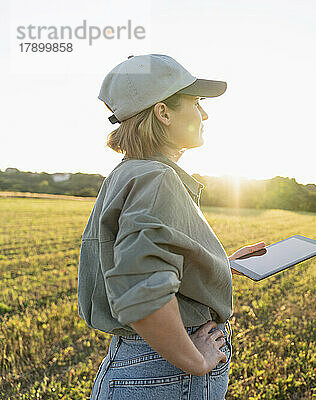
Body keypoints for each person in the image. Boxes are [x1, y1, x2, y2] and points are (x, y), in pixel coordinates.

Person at [77, 54, 266, 400]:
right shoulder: (157, 178)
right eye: (196, 103)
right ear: (163, 112)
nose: (204, 114)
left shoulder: (130, 172)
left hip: (142, 363)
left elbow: (139, 262)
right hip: (167, 371)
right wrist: (194, 361)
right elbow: (141, 290)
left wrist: (215, 264)